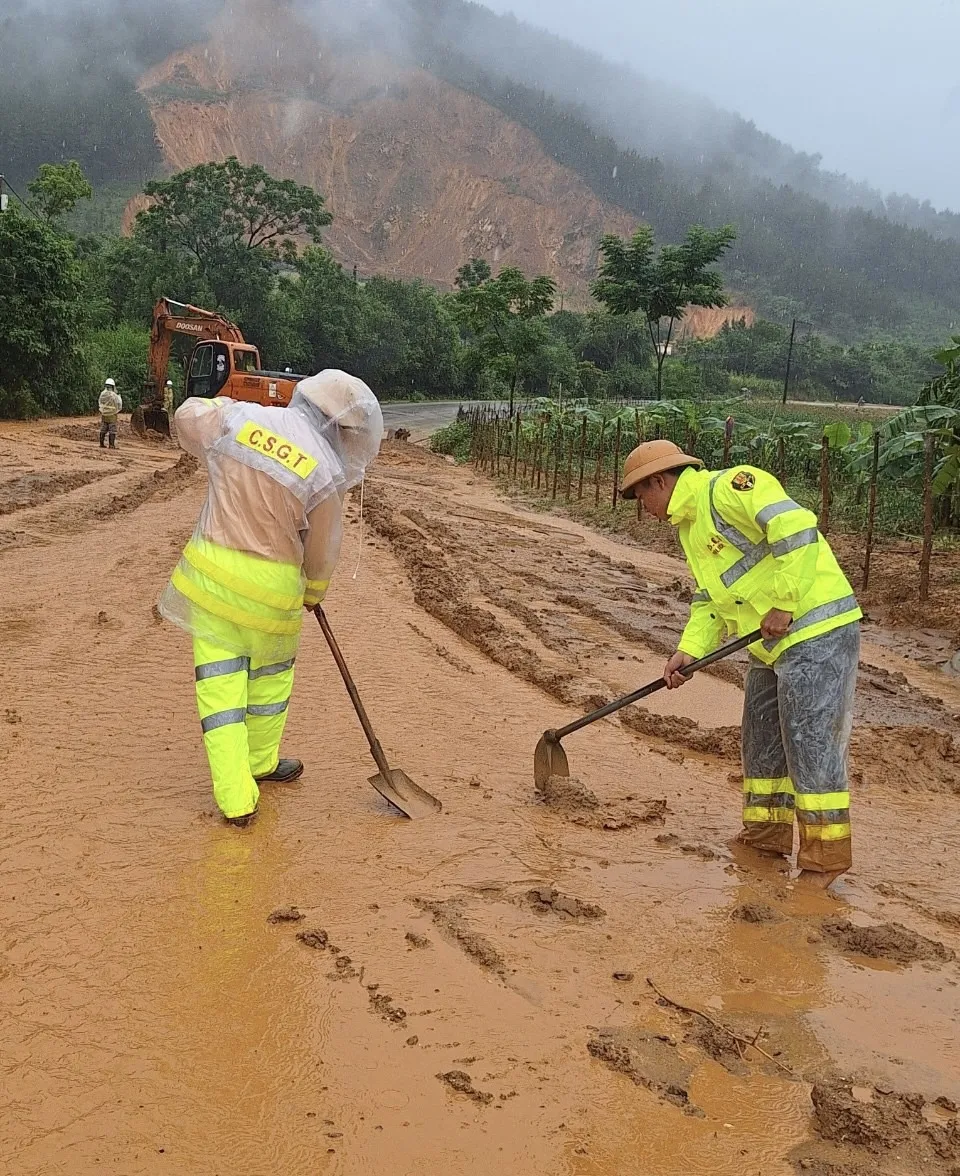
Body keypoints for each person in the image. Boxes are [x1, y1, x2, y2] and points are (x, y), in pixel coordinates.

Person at [619, 440, 861, 889]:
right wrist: (688, 651)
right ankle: (765, 838)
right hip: (769, 646)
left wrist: (786, 603)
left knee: (809, 744)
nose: (643, 508)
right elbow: (711, 600)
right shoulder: (690, 530)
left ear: (659, 481)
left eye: (641, 496)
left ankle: (825, 861)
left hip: (815, 629)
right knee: (761, 740)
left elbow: (796, 527)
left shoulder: (730, 487)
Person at [158, 370, 384, 827]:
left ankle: (239, 796)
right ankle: (259, 764)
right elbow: (322, 551)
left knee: (220, 690)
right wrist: (315, 590)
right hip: (275, 595)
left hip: (214, 583)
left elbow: (187, 415)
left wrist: (219, 407)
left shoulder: (240, 419)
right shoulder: (324, 470)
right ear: (338, 427)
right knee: (270, 684)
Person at [98, 378, 122, 449]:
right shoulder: (114, 395)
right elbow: (119, 405)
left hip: (104, 415)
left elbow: (100, 403)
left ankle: (101, 444)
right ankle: (111, 445)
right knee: (112, 430)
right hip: (112, 415)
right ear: (113, 386)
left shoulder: (102, 394)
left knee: (103, 429)